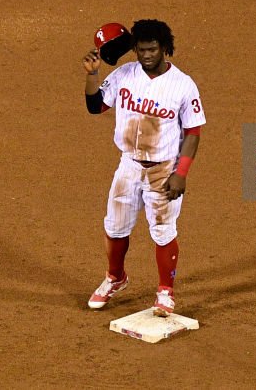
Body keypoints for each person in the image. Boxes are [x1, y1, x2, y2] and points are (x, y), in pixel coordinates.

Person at [82, 19, 205, 316]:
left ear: (164, 49)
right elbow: (95, 106)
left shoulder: (182, 85)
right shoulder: (124, 75)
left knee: (163, 231)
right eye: (141, 50)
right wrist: (94, 75)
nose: (146, 55)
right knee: (114, 226)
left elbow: (193, 132)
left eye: (152, 49)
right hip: (128, 166)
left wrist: (181, 173)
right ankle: (115, 278)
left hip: (163, 169)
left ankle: (165, 291)